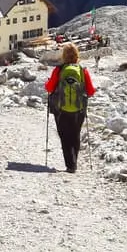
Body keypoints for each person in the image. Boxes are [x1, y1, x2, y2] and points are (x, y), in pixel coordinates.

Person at [44, 43, 96, 173]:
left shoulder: (59, 70)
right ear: (77, 55)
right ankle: (74, 163)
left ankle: (70, 164)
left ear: (64, 56)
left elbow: (49, 88)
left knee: (64, 136)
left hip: (61, 109)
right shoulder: (83, 70)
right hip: (79, 109)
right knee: (75, 134)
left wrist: (48, 82)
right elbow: (90, 91)